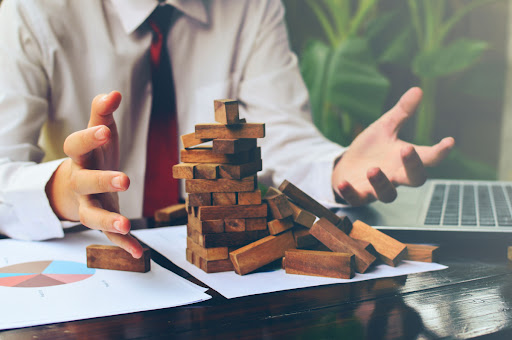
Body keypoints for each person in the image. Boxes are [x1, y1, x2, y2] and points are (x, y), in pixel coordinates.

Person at [0, 0, 454, 258]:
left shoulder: (251, 8)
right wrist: (56, 191)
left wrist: (337, 166)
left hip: (219, 265)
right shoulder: (31, 11)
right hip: (90, 268)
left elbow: (280, 137)